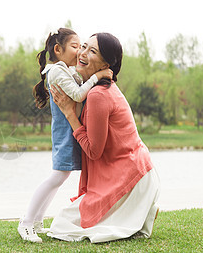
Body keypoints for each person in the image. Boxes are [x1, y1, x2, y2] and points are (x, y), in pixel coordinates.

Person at [47, 32, 161, 243]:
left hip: (131, 176)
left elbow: (93, 151)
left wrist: (70, 114)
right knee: (65, 221)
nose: (82, 53)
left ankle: (137, 209)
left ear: (104, 64)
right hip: (135, 172)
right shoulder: (99, 88)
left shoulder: (99, 95)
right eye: (83, 47)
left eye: (92, 51)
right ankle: (138, 212)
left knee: (61, 226)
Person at [17, 28, 113, 243]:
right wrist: (97, 76)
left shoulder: (64, 70)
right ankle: (26, 223)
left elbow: (78, 85)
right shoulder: (57, 72)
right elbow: (79, 94)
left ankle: (37, 221)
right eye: (75, 46)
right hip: (65, 133)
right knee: (57, 176)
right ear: (58, 50)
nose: (79, 51)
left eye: (81, 46)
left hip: (70, 131)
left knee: (60, 177)